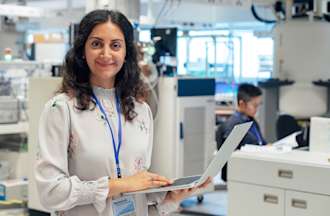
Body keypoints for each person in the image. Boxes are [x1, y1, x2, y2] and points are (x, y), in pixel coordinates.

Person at [35, 9, 210, 216]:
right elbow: (50, 192)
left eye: (115, 45)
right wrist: (121, 184)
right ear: (83, 50)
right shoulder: (61, 109)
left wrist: (170, 199)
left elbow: (137, 197)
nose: (106, 54)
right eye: (96, 44)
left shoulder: (140, 111)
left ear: (126, 52)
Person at [216, 83, 267, 181]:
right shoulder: (234, 125)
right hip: (241, 172)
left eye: (258, 105)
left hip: (256, 164)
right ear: (242, 104)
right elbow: (231, 156)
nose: (257, 109)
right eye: (254, 106)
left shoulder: (251, 120)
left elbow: (261, 142)